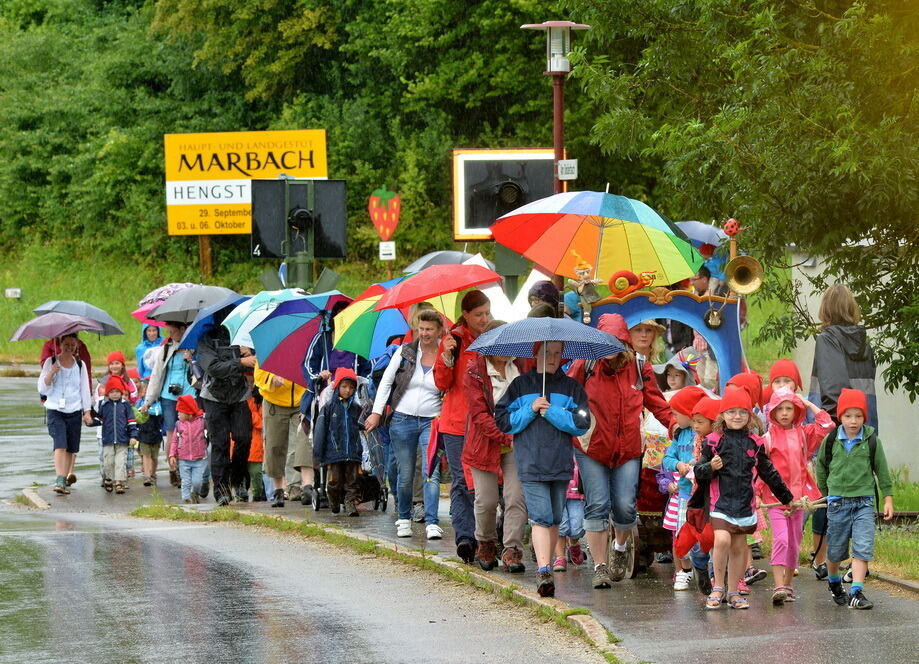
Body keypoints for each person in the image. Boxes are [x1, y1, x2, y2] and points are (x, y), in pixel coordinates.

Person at [567, 314, 672, 589]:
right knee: (598, 504)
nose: (611, 348)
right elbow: (566, 396)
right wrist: (569, 422)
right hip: (592, 448)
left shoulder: (639, 367)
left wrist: (676, 425)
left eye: (617, 342)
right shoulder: (585, 364)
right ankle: (600, 567)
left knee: (626, 508)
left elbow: (657, 403)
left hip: (628, 449)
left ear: (625, 342)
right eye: (606, 342)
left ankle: (620, 547)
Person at [495, 341, 591, 597]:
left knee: (555, 519)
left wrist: (553, 413)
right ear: (536, 353)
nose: (552, 357)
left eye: (557, 353)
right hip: (530, 461)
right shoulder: (519, 386)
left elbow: (582, 422)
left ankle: (545, 568)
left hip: (560, 463)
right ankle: (543, 569)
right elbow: (503, 421)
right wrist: (529, 409)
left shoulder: (571, 387)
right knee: (541, 517)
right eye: (547, 352)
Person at [693, 387, 793, 610]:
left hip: (745, 505)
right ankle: (717, 586)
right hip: (719, 503)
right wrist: (710, 467)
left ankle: (733, 592)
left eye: (742, 412)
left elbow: (769, 473)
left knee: (739, 547)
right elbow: (698, 471)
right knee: (722, 540)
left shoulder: (755, 443)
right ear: (722, 415)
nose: (736, 416)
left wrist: (787, 498)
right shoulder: (712, 441)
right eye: (731, 412)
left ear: (750, 416)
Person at [366, 309, 445, 539]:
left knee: (431, 471)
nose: (424, 333)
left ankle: (432, 521)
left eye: (429, 329)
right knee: (405, 472)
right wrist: (377, 412)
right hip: (402, 419)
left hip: (432, 420)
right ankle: (403, 518)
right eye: (421, 328)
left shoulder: (445, 353)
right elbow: (387, 382)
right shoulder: (405, 351)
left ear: (439, 330)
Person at [815, 388, 894, 610]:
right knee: (836, 551)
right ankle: (833, 581)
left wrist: (888, 498)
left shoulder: (871, 441)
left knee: (863, 546)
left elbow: (882, 471)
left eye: (858, 416)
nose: (853, 421)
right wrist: (825, 491)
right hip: (838, 502)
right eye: (848, 416)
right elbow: (821, 467)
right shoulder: (831, 440)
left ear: (864, 418)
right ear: (840, 417)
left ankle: (856, 591)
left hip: (864, 503)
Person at [758, 386, 834, 604]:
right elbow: (760, 469)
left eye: (789, 408)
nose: (784, 413)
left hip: (800, 500)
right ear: (772, 411)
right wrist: (756, 494)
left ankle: (788, 585)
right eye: (779, 408)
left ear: (796, 410)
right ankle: (778, 584)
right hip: (775, 501)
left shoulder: (804, 434)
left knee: (794, 544)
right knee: (781, 539)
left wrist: (808, 403)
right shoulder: (767, 438)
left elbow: (827, 425)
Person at [462, 321, 526, 572]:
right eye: (498, 342)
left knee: (515, 497)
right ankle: (485, 542)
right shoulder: (474, 371)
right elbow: (479, 416)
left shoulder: (520, 365)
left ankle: (512, 548)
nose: (504, 347)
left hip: (516, 441)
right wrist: (507, 436)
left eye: (507, 342)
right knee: (486, 500)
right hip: (485, 442)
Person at [433, 290, 492, 562]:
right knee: (461, 481)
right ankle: (465, 537)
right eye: (478, 314)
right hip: (456, 422)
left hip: (485, 422)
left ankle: (486, 537)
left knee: (486, 483)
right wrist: (446, 357)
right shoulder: (453, 341)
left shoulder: (493, 337)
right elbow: (442, 384)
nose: (484, 318)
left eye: (487, 313)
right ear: (466, 315)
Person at [299, 301, 371, 505]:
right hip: (326, 393)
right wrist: (319, 376)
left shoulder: (358, 341)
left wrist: (357, 379)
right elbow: (307, 365)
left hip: (353, 392)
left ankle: (363, 467)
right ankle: (324, 460)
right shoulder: (322, 339)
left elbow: (367, 368)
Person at [196, 311, 255, 506]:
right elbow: (214, 368)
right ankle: (221, 490)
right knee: (219, 444)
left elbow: (257, 363)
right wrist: (240, 361)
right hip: (214, 398)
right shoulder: (205, 340)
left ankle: (237, 481)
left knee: (244, 438)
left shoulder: (244, 338)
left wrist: (252, 353)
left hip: (239, 395)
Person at [660, 386, 707, 590]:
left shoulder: (705, 433)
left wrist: (695, 463)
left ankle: (705, 569)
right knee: (682, 533)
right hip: (685, 493)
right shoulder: (679, 435)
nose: (673, 417)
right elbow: (668, 458)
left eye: (676, 413)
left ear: (690, 413)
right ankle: (684, 570)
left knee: (704, 534)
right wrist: (678, 465)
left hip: (704, 495)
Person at [38, 334, 93, 494]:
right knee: (60, 444)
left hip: (74, 410)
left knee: (71, 448)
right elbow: (43, 389)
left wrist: (87, 411)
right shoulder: (51, 362)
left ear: (76, 346)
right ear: (60, 344)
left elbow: (85, 389)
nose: (69, 347)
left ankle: (65, 478)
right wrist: (52, 373)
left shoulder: (80, 365)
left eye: (72, 345)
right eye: (66, 344)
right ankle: (60, 479)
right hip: (56, 410)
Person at [143, 321, 196, 488]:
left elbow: (201, 373)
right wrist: (148, 401)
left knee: (190, 432)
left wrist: (191, 360)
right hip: (168, 396)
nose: (170, 335)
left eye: (173, 332)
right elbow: (157, 375)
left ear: (183, 329)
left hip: (189, 394)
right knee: (172, 433)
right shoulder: (166, 349)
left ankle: (189, 468)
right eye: (169, 332)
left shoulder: (194, 347)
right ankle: (174, 469)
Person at [253, 364, 307, 508]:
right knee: (275, 446)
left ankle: (300, 486)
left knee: (302, 443)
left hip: (301, 401)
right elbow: (258, 376)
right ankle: (278, 490)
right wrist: (271, 379)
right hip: (274, 401)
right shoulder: (268, 345)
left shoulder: (304, 346)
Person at [313, 368, 364, 516]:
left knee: (353, 480)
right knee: (334, 481)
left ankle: (350, 503)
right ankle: (334, 499)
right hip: (333, 452)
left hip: (352, 451)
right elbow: (320, 431)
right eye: (344, 386)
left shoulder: (356, 409)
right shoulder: (329, 408)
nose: (348, 390)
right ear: (337, 387)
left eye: (351, 387)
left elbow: (362, 425)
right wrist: (318, 453)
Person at [90, 375, 138, 494]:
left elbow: (131, 421)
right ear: (107, 393)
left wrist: (133, 436)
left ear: (121, 392)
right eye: (112, 391)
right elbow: (100, 419)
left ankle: (119, 482)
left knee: (121, 461)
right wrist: (91, 422)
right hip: (108, 438)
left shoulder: (126, 405)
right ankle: (109, 478)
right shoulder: (104, 405)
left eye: (117, 391)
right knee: (108, 461)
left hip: (123, 439)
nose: (115, 394)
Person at [169, 395, 209, 504]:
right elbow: (174, 441)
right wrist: (172, 455)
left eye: (180, 412)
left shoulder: (202, 422)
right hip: (183, 459)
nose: (178, 414)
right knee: (185, 481)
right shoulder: (178, 425)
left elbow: (209, 433)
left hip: (199, 458)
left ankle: (195, 493)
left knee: (197, 482)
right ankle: (186, 498)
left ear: (189, 413)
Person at [553, 459, 586, 571]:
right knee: (561, 525)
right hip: (558, 487)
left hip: (577, 490)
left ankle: (573, 544)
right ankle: (560, 557)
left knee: (577, 527)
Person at [134, 380, 164, 487]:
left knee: (154, 457)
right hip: (143, 434)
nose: (147, 392)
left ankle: (153, 473)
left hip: (156, 434)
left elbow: (160, 415)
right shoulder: (139, 403)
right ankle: (147, 476)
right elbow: (135, 415)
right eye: (144, 390)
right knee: (145, 455)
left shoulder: (159, 404)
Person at [247, 390, 267, 502]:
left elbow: (261, 423)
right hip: (240, 445)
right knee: (241, 474)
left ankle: (258, 494)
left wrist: (250, 414)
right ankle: (241, 495)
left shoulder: (260, 401)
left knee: (256, 474)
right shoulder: (238, 400)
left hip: (255, 447)